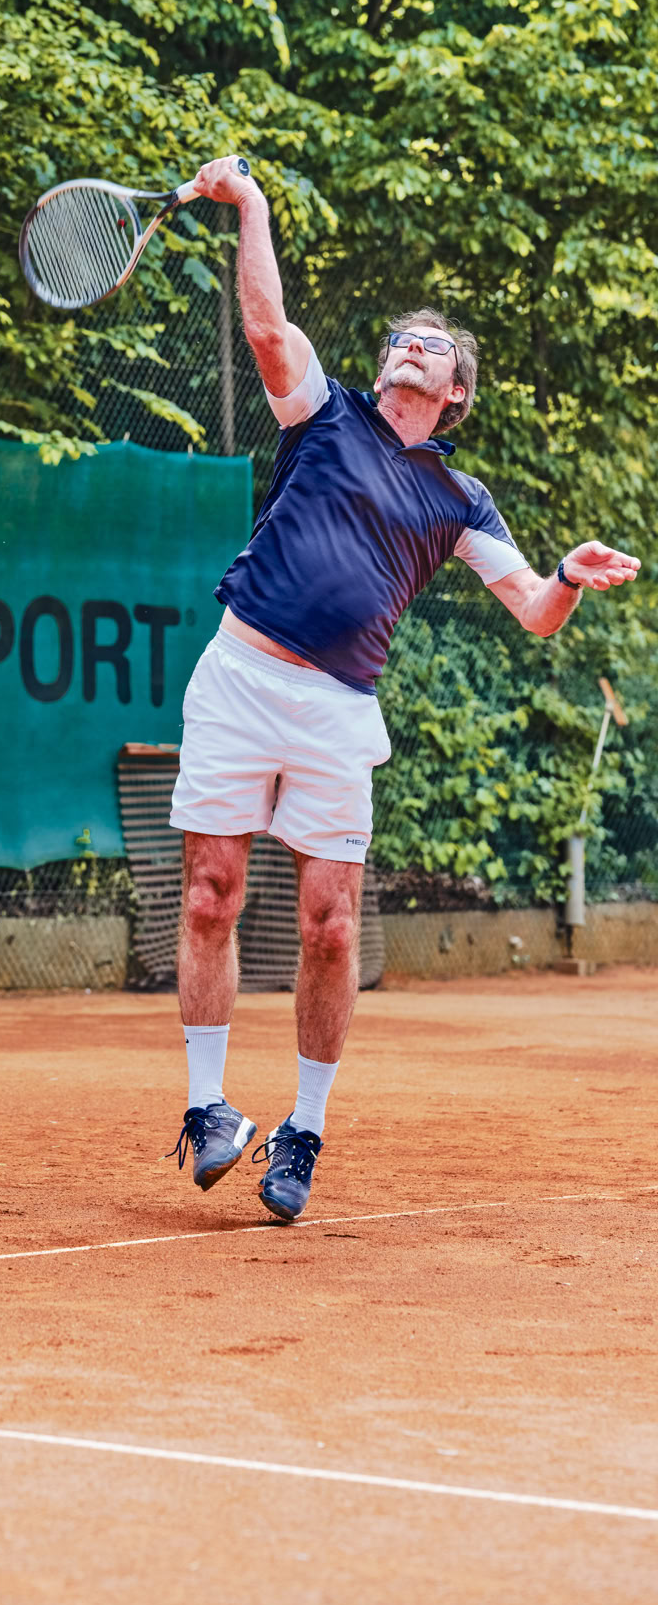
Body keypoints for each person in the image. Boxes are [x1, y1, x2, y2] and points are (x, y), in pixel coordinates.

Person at [166, 155, 641, 1222]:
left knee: (330, 923)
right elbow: (263, 323)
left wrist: (565, 574)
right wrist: (252, 207)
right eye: (402, 337)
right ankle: (204, 1111)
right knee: (208, 895)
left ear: (454, 391)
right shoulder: (322, 414)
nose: (411, 343)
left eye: (433, 345)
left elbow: (529, 609)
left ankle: (303, 1133)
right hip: (238, 675)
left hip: (338, 710)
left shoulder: (461, 500)